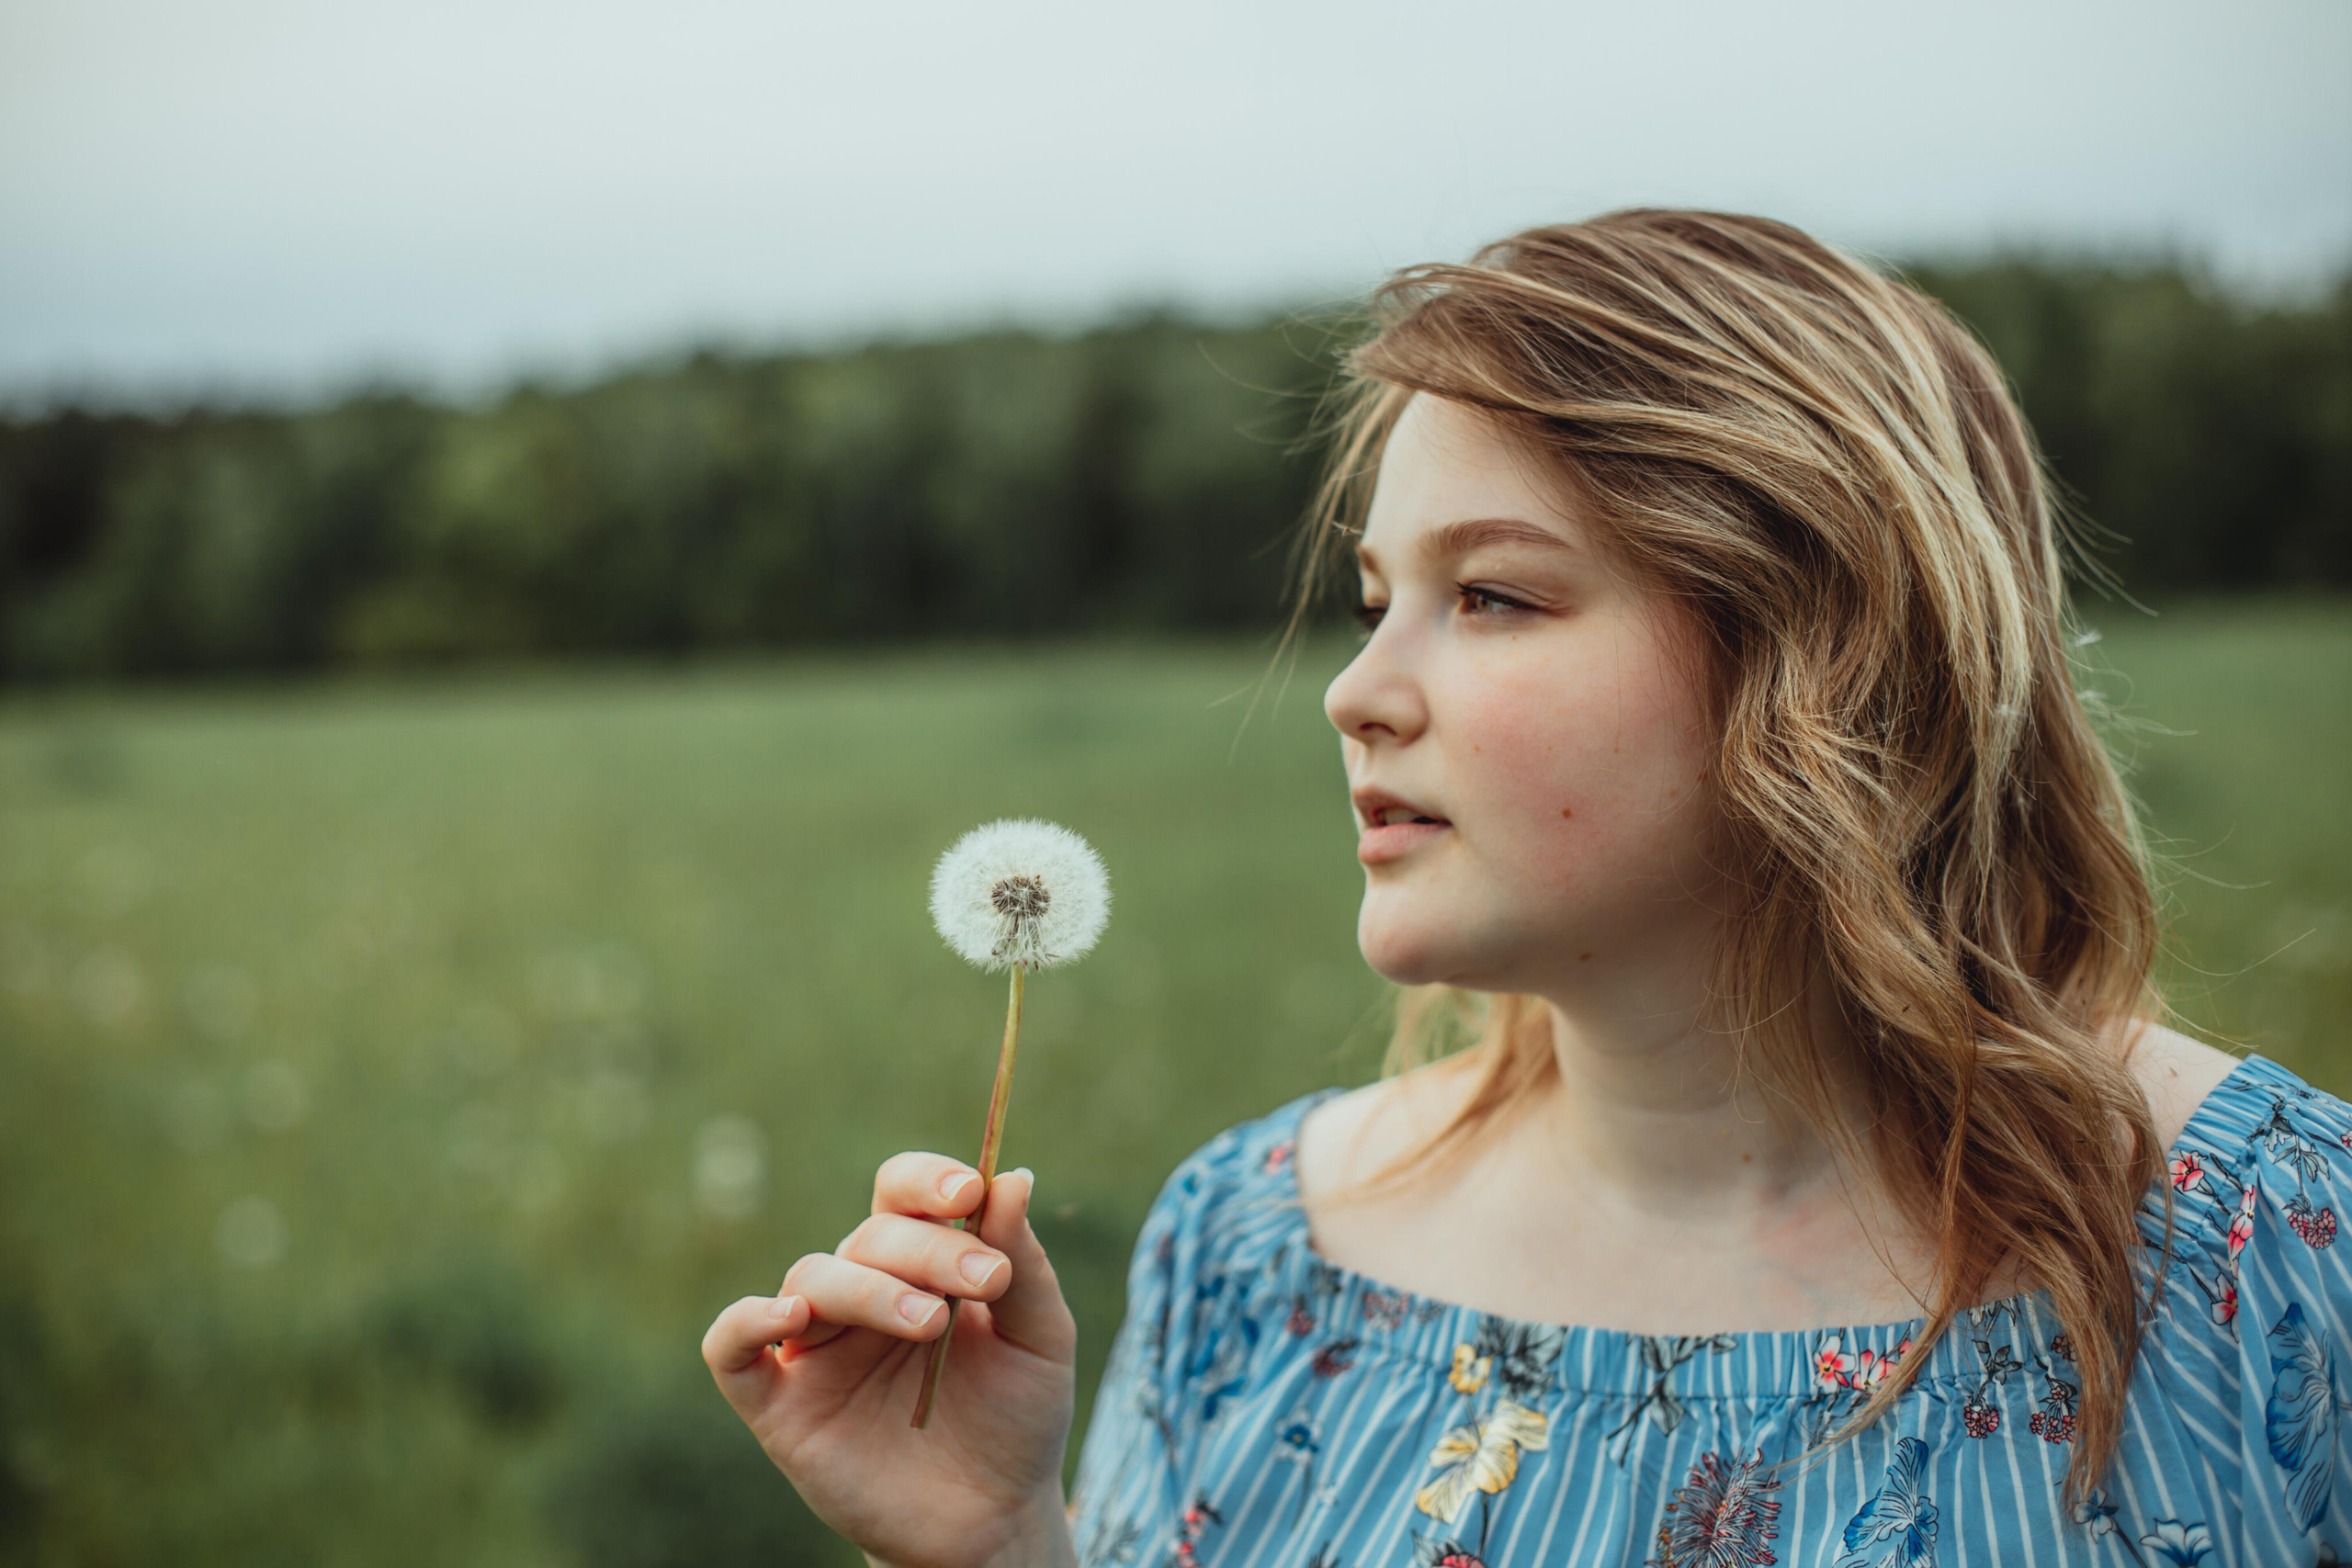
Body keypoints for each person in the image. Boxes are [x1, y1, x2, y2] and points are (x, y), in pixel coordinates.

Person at [700, 209, 2352, 1567]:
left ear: (1828, 658)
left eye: (1489, 596)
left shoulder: (2277, 1264)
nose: (1357, 692)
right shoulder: (1254, 1257)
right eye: (1373, 598)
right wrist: (995, 1545)